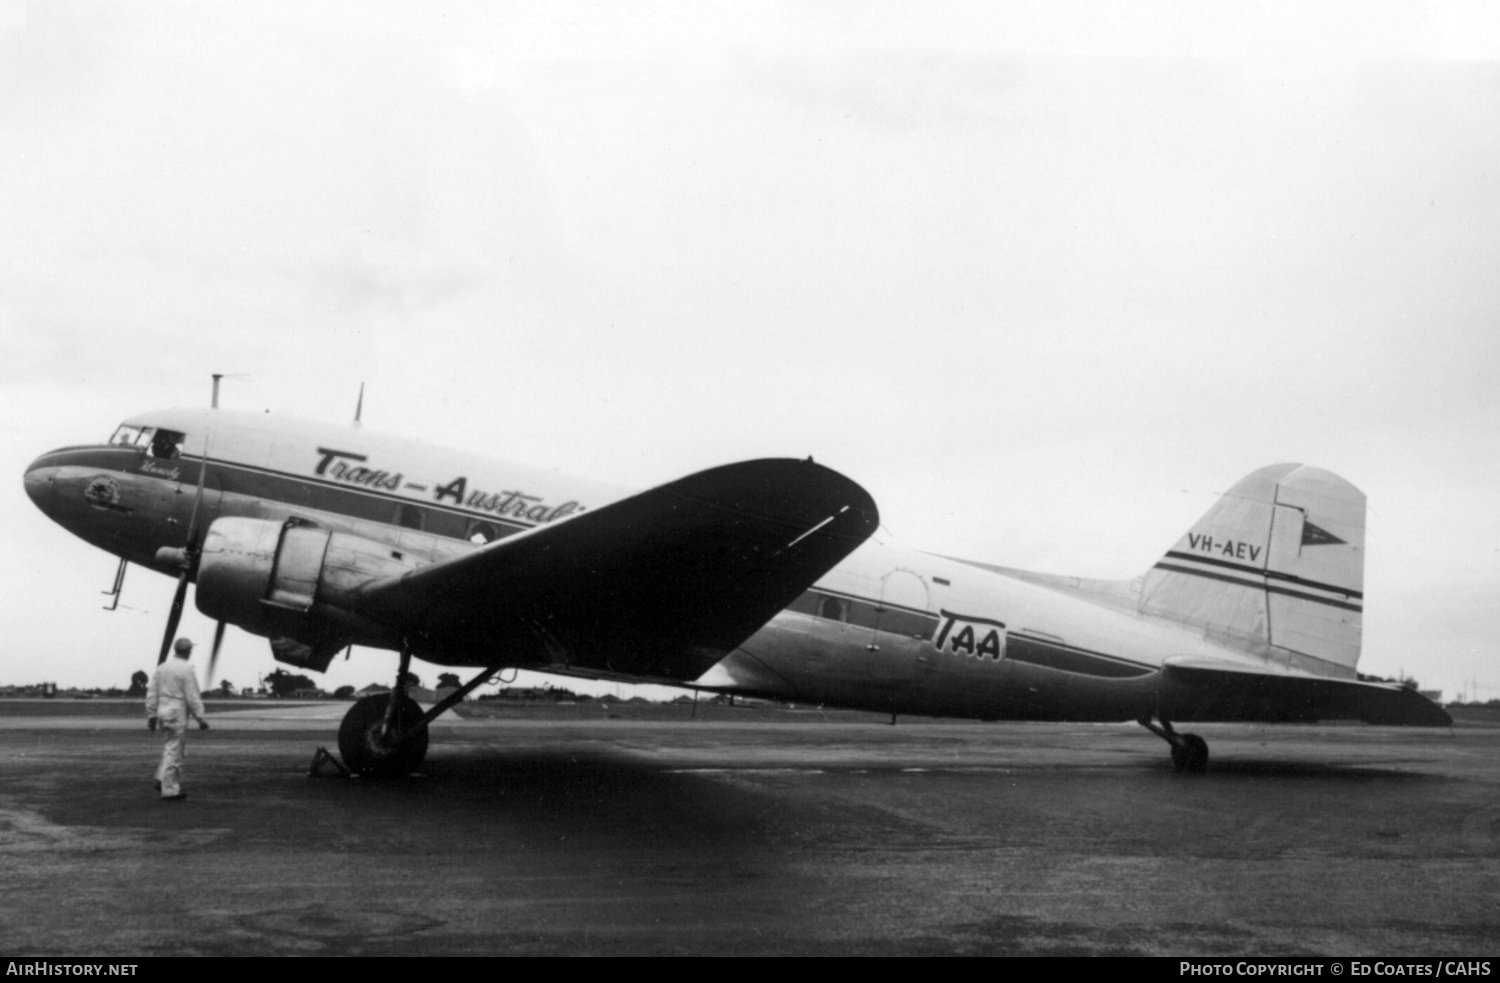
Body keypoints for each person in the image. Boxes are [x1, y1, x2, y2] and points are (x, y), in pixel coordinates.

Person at [146, 637, 210, 801]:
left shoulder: (162, 667)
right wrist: (200, 717)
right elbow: (192, 694)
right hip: (176, 711)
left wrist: (151, 714)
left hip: (163, 710)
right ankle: (170, 790)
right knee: (175, 751)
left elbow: (152, 692)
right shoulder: (186, 669)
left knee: (170, 746)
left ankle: (161, 779)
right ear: (187, 650)